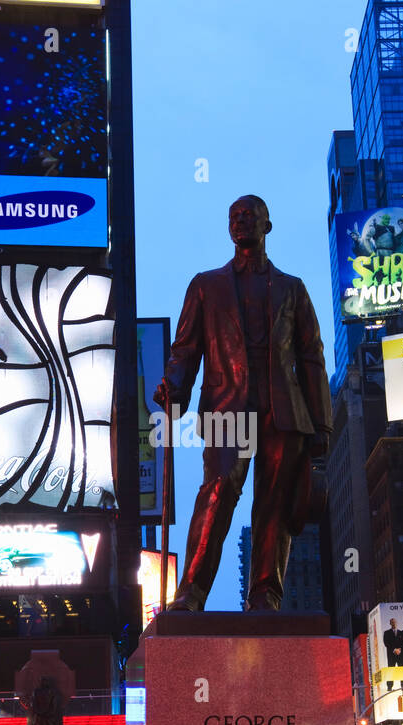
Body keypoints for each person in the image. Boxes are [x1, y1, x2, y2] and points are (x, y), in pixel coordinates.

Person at [155, 196, 332, 610]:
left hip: (283, 411)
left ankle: (264, 595)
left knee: (273, 505)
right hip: (226, 408)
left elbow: (312, 357)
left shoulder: (293, 288)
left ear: (268, 225)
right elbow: (185, 349)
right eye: (234, 216)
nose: (241, 221)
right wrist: (174, 388)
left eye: (249, 215)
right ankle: (191, 592)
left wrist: (321, 424)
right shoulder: (206, 285)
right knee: (217, 492)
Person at [383, 618, 403, 691]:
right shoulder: (386, 633)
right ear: (390, 623)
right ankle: (389, 686)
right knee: (390, 670)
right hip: (391, 655)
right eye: (392, 622)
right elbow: (386, 643)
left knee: (401, 670)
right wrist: (394, 650)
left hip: (400, 655)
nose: (394, 623)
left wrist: (399, 649)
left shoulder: (401, 632)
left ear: (397, 623)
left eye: (394, 622)